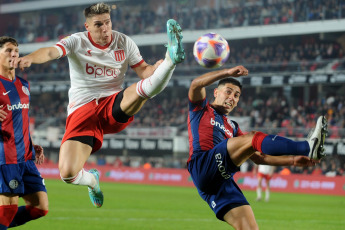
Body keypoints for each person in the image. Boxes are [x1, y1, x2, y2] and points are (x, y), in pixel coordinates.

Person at [11, 2, 185, 208]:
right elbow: (50, 52)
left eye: (108, 22)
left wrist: (157, 67)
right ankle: (93, 181)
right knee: (67, 174)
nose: (105, 28)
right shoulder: (76, 41)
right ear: (87, 27)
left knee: (142, 91)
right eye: (98, 24)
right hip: (82, 110)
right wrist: (30, 58)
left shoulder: (124, 42)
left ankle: (170, 59)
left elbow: (145, 72)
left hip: (112, 104)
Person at [187, 66, 327, 229]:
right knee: (253, 137)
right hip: (202, 163)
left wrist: (294, 160)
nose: (232, 97)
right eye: (228, 91)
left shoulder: (232, 127)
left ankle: (306, 150)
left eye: (236, 95)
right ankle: (306, 146)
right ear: (216, 92)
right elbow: (196, 84)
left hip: (220, 182)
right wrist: (227, 73)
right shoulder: (201, 109)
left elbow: (260, 157)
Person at [0, 36, 48, 229]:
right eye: (8, 50)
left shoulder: (24, 84)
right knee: (7, 210)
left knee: (40, 207)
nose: (13, 54)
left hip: (26, 157)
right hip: (6, 157)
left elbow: (21, 120)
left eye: (16, 51)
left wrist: (31, 143)